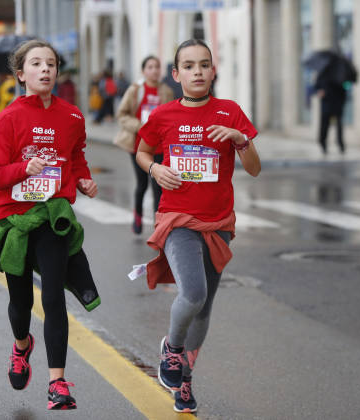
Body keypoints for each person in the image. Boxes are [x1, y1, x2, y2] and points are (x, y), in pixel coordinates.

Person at [0, 40, 99, 410]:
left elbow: (75, 159)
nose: (46, 69)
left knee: (54, 296)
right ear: (21, 74)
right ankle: (22, 345)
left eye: (52, 64)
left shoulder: (72, 116)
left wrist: (84, 181)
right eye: (37, 64)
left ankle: (57, 383)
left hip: (51, 216)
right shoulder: (8, 118)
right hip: (15, 219)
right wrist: (22, 170)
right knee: (22, 300)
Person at [136, 39, 261, 413]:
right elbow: (142, 152)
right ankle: (172, 350)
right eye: (188, 66)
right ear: (176, 75)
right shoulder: (163, 116)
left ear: (213, 71)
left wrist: (240, 140)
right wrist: (155, 168)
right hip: (177, 220)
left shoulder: (230, 111)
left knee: (204, 310)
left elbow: (254, 168)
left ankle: (184, 381)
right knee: (193, 294)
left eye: (204, 65)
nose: (197, 72)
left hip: (218, 224)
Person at [116, 55, 174, 234]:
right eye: (150, 67)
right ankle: (138, 216)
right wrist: (141, 126)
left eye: (157, 67)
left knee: (158, 185)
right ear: (143, 71)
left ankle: (159, 224)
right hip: (138, 145)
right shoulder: (135, 90)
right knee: (142, 184)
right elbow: (122, 114)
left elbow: (171, 117)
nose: (154, 70)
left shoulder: (167, 91)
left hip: (159, 146)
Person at [315, 59, 347, 154]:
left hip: (335, 103)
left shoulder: (341, 72)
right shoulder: (324, 73)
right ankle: (324, 143)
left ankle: (339, 144)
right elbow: (317, 86)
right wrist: (320, 90)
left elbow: (345, 87)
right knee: (326, 125)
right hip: (329, 104)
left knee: (337, 125)